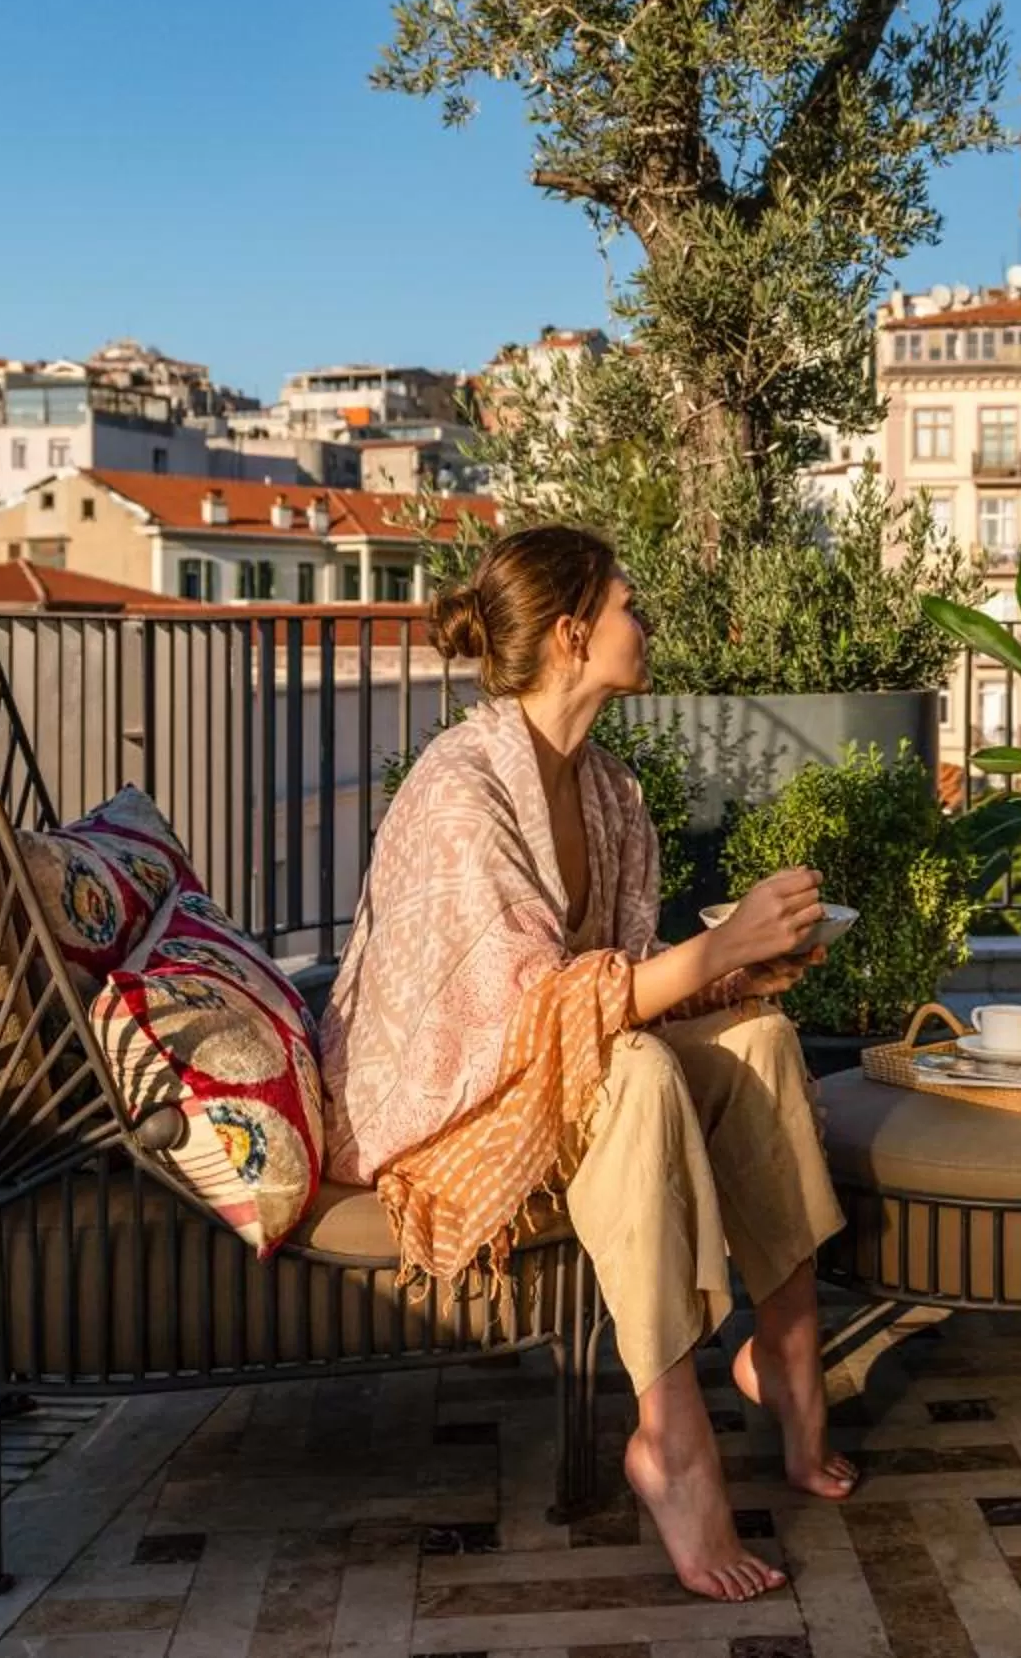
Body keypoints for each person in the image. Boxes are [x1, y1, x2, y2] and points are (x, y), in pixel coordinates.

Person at [318, 525, 853, 1601]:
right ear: (571, 634)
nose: (644, 622)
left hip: (552, 1058)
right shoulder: (463, 790)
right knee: (641, 1075)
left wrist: (735, 975)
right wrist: (718, 945)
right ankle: (672, 1437)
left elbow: (607, 979)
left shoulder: (604, 786)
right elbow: (527, 1016)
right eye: (628, 603)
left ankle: (787, 1355)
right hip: (444, 1100)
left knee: (761, 1039)